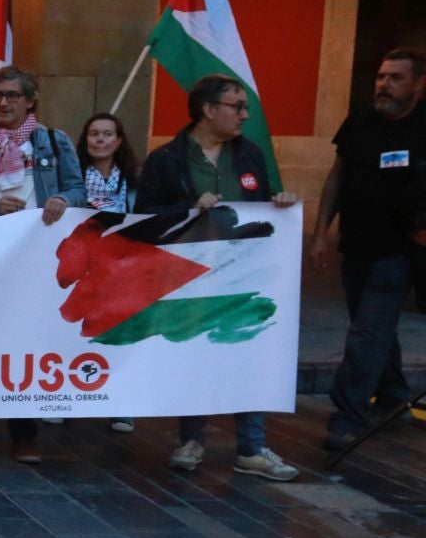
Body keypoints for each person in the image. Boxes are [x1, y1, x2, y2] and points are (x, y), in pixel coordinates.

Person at [135, 74, 302, 480]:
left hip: (246, 272)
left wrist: (279, 202)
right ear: (209, 110)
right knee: (194, 354)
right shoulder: (166, 160)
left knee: (249, 350)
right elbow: (143, 219)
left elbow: (262, 205)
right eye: (236, 106)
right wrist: (188, 208)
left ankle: (252, 446)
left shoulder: (250, 155)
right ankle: (192, 439)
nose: (244, 114)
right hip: (190, 277)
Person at [0, 64, 85, 463]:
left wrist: (63, 200)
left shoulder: (55, 144)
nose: (4, 102)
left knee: (28, 346)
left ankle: (25, 433)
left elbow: (77, 189)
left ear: (29, 101)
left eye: (12, 96)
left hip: (38, 262)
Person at [311, 47, 426, 452]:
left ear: (418, 84)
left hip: (398, 253)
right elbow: (337, 175)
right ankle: (394, 394)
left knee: (366, 333)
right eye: (381, 76)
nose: (384, 84)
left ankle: (347, 417)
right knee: (373, 328)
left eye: (395, 77)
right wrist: (321, 231)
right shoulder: (360, 118)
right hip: (356, 246)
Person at [78, 110, 143, 434]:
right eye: (94, 134)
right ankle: (67, 397)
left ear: (119, 141)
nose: (100, 139)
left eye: (107, 134)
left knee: (120, 334)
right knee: (75, 333)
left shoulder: (134, 181)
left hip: (121, 268)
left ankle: (121, 403)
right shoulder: (72, 177)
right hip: (83, 267)